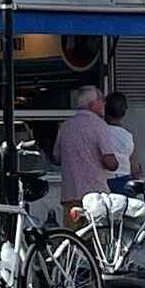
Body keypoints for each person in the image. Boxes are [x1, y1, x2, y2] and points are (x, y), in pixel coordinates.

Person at [52, 86, 119, 225]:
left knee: (72, 239)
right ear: (92, 104)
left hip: (70, 194)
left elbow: (57, 158)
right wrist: (116, 163)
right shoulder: (99, 125)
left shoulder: (65, 126)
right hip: (95, 195)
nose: (104, 104)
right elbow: (110, 162)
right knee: (97, 239)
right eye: (101, 100)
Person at [103, 91, 135, 193]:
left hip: (104, 181)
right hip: (124, 181)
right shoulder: (127, 136)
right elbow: (135, 167)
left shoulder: (99, 132)